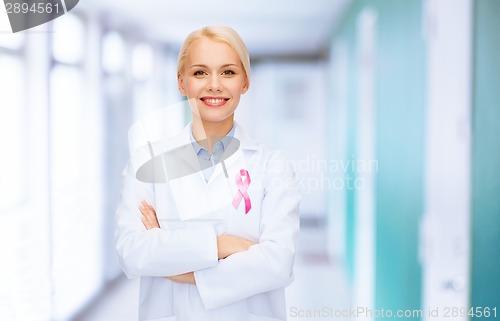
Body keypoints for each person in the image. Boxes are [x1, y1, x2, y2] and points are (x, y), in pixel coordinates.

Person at [115, 25, 301, 321]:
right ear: (181, 82)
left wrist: (175, 263)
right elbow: (133, 252)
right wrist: (223, 246)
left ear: (245, 82)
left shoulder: (272, 165)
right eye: (200, 72)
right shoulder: (146, 161)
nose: (214, 85)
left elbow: (277, 264)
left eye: (228, 72)